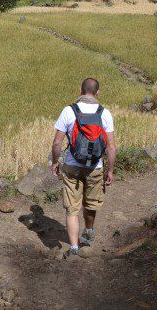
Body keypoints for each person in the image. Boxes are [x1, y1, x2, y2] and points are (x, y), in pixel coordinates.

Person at [51, 77, 117, 259]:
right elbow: (111, 147)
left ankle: (73, 247)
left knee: (72, 209)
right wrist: (109, 171)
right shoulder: (105, 114)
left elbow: (57, 142)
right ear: (98, 93)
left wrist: (55, 162)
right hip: (95, 167)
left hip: (72, 166)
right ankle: (88, 232)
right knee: (91, 204)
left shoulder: (68, 111)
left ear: (80, 91)